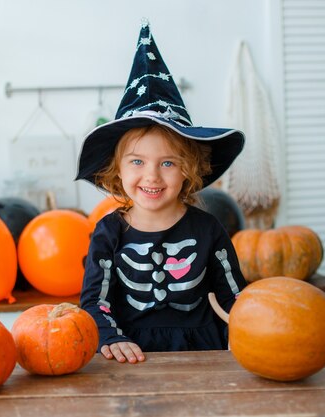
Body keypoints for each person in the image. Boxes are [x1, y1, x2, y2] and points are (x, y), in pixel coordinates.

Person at [75, 20, 247, 364]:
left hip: (205, 352)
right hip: (129, 352)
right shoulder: (108, 233)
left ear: (189, 169)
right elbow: (95, 301)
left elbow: (236, 297)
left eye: (168, 163)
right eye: (137, 161)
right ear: (117, 169)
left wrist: (253, 331)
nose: (151, 175)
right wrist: (110, 337)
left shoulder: (208, 230)